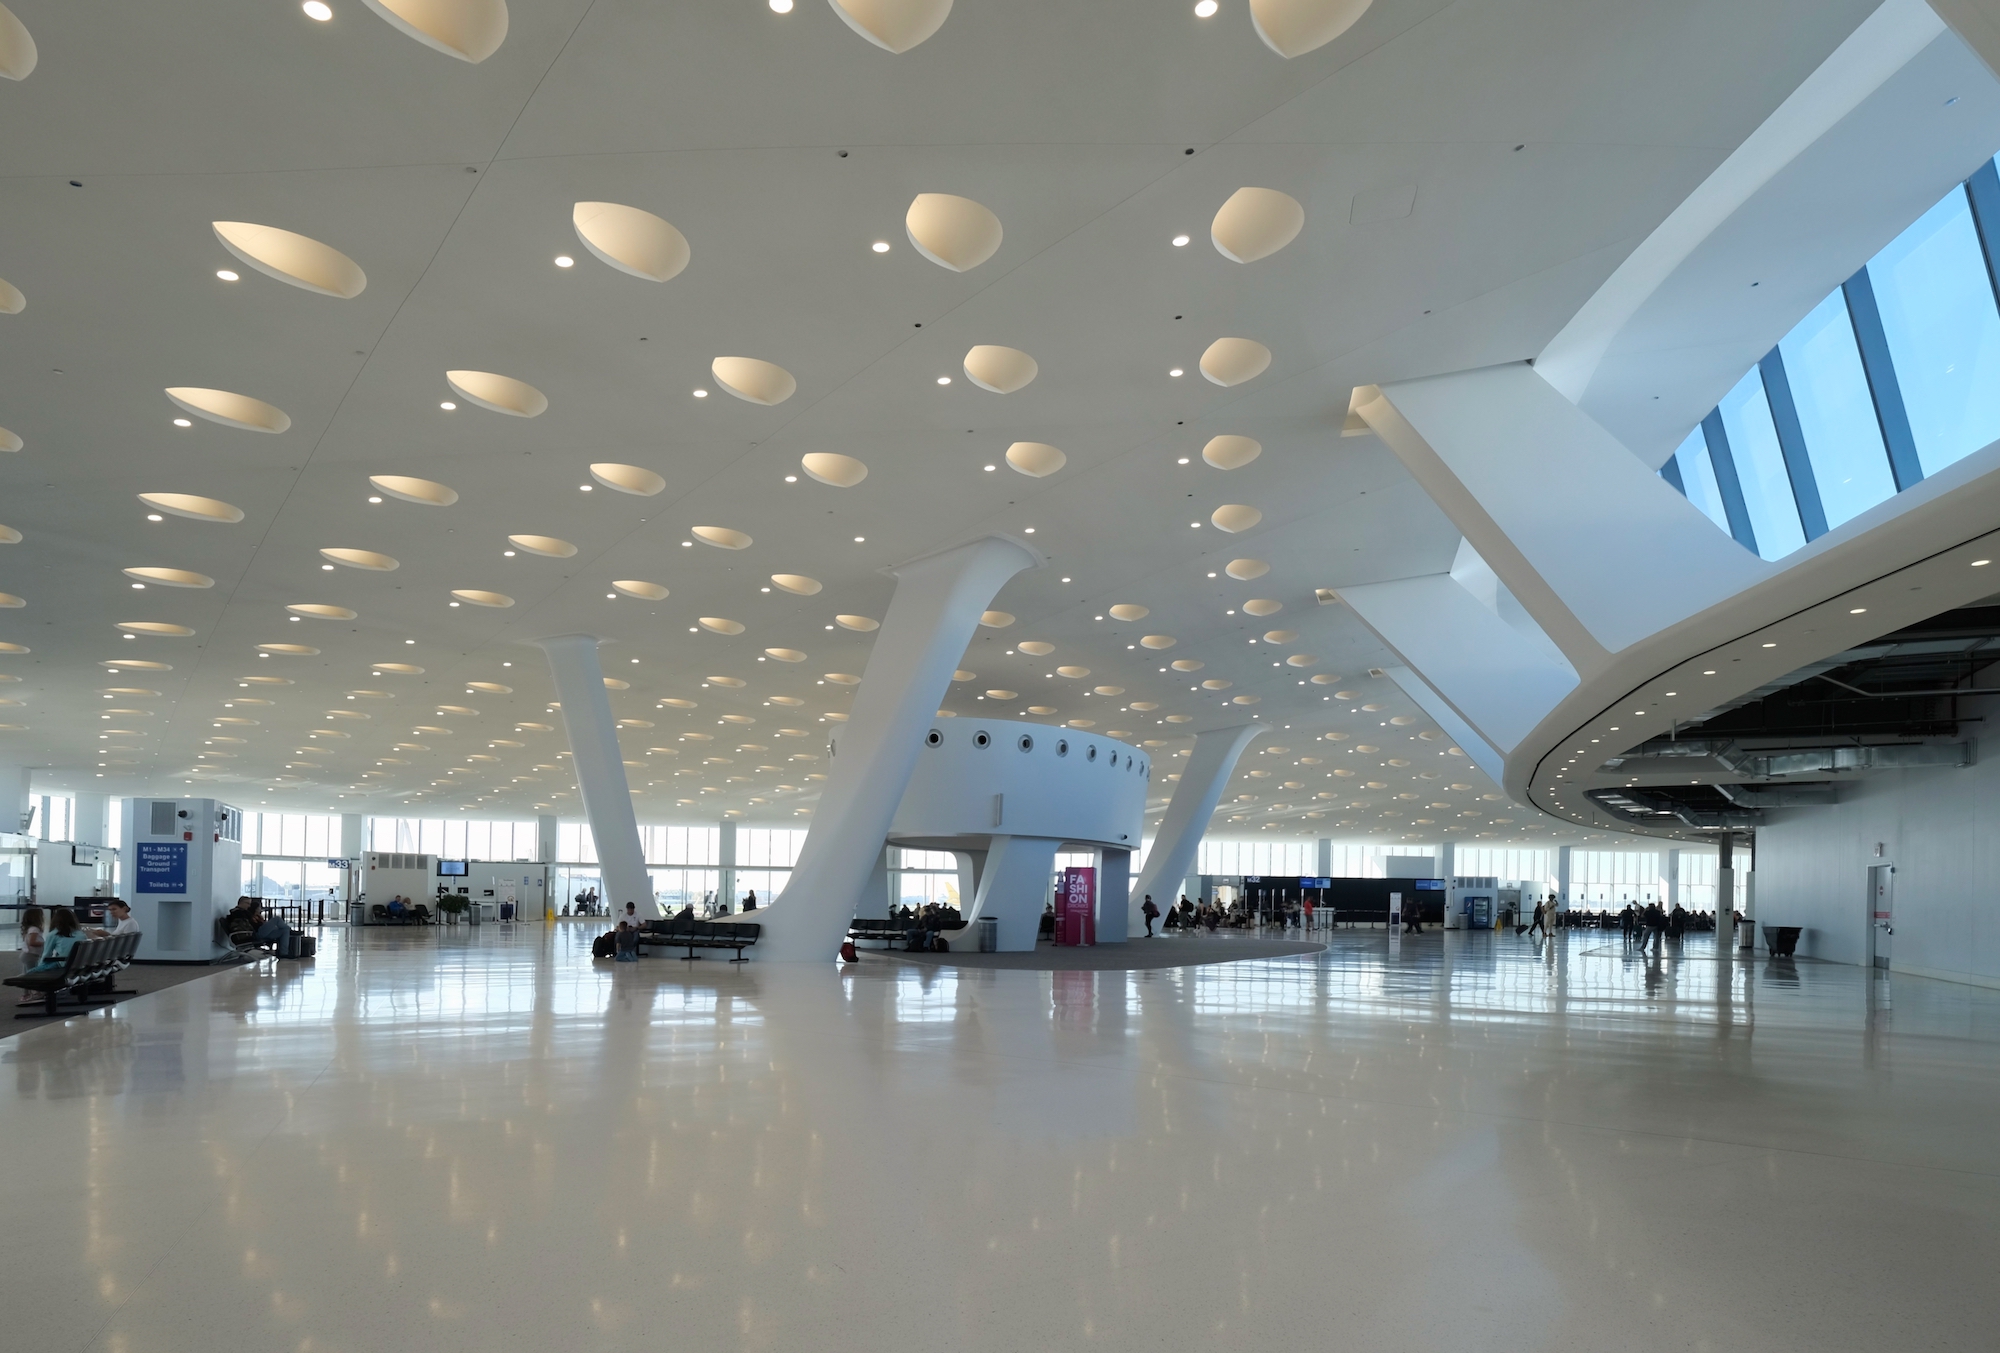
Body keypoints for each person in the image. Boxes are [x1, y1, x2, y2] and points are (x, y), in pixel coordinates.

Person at [27, 907, 85, 972]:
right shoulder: (81, 934)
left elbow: (46, 955)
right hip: (78, 965)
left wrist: (40, 967)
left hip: (63, 964)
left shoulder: (54, 934)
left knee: (29, 973)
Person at [16, 905, 44, 974]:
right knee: (31, 973)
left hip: (28, 955)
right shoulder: (34, 929)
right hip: (31, 955)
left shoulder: (30, 929)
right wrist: (43, 943)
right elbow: (32, 942)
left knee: (26, 973)